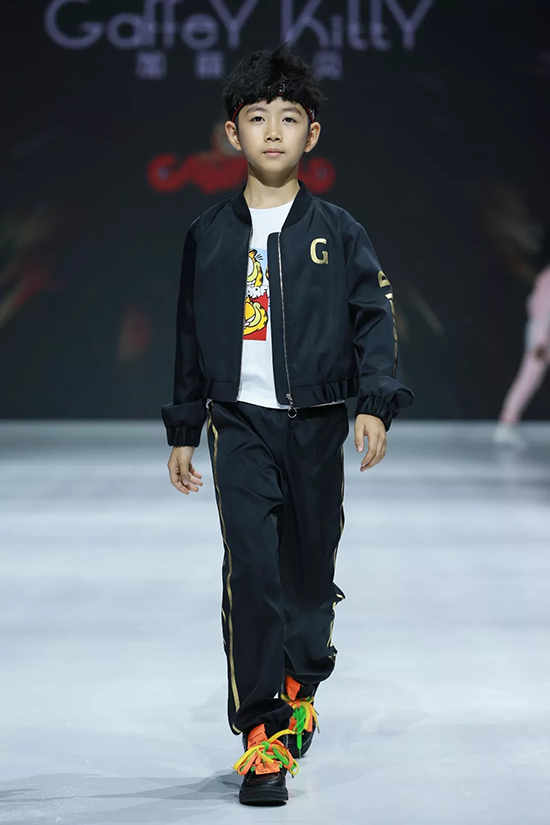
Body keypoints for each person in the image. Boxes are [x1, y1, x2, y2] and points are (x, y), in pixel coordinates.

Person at [161, 42, 414, 806]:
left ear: (312, 133)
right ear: (230, 133)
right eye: (257, 116)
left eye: (290, 117)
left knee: (307, 585)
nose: (273, 130)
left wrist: (374, 401)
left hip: (314, 426)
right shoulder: (207, 234)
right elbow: (187, 333)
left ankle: (303, 675)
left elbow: (374, 317)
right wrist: (184, 426)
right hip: (237, 421)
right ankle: (261, 733)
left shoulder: (338, 230)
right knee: (251, 572)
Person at [494, 226, 550, 446]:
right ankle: (506, 424)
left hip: (541, 333)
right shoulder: (548, 277)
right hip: (542, 335)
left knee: (528, 378)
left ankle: (507, 423)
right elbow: (540, 309)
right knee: (528, 379)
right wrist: (540, 341)